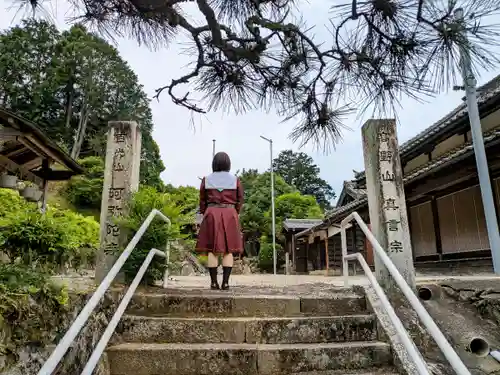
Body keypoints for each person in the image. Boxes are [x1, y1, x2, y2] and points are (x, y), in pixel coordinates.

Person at [195, 152, 244, 290]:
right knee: (229, 250)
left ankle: (213, 282)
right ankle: (226, 283)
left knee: (212, 249)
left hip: (211, 213)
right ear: (228, 164)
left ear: (214, 164)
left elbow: (202, 200)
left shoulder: (206, 179)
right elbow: (240, 199)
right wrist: (235, 212)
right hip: (230, 213)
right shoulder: (235, 180)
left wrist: (207, 212)